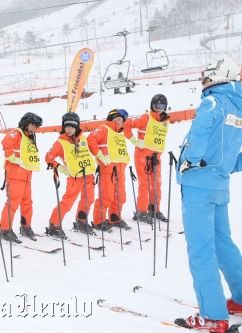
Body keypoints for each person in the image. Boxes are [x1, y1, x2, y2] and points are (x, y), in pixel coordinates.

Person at [175, 58, 242, 332]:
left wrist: (190, 159)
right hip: (219, 184)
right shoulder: (238, 109)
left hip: (198, 185)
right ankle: (239, 298)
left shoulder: (212, 102)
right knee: (222, 243)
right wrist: (226, 167)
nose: (202, 82)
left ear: (215, 77)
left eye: (205, 76)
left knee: (201, 249)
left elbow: (200, 131)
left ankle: (213, 316)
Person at [45, 112, 96, 237]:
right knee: (67, 202)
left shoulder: (83, 139)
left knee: (88, 199)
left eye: (72, 127)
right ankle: (54, 224)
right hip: (74, 178)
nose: (69, 129)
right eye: (67, 127)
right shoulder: (60, 143)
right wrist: (62, 169)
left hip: (89, 175)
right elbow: (48, 157)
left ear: (77, 127)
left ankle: (81, 220)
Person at [123, 94, 171, 224]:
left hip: (156, 158)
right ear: (152, 106)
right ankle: (141, 211)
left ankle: (154, 209)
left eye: (161, 106)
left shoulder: (165, 120)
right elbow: (127, 125)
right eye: (156, 106)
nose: (158, 108)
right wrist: (133, 140)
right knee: (144, 185)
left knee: (156, 184)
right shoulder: (146, 118)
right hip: (142, 156)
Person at [0, 112, 43, 242]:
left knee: (27, 203)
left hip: (27, 176)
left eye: (36, 127)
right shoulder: (16, 133)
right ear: (25, 123)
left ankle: (26, 226)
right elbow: (6, 141)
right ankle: (5, 229)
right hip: (15, 175)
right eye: (32, 125)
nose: (34, 129)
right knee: (13, 203)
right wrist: (11, 156)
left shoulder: (29, 137)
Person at [87, 109, 130, 232]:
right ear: (110, 119)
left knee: (121, 196)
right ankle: (98, 221)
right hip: (107, 169)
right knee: (106, 196)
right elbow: (91, 139)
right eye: (117, 120)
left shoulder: (119, 135)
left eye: (122, 121)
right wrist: (100, 155)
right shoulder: (104, 128)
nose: (120, 123)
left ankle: (115, 217)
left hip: (120, 170)